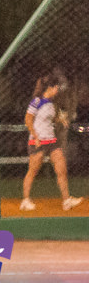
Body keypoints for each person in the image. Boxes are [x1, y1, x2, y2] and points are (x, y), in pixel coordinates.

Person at [20, 73, 83, 212]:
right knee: (33, 171)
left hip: (51, 140)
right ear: (51, 87)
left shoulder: (51, 103)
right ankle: (25, 200)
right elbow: (28, 119)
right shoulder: (37, 101)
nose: (58, 90)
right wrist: (35, 137)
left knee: (61, 168)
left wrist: (61, 120)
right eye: (57, 88)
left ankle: (66, 200)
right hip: (38, 141)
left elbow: (51, 119)